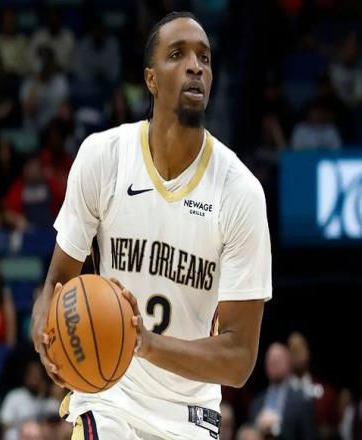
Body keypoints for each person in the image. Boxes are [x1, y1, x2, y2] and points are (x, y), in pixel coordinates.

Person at [31, 11, 272, 440]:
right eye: (177, 55)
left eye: (204, 57)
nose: (195, 66)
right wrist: (43, 327)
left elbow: (239, 359)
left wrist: (144, 342)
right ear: (151, 79)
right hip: (108, 397)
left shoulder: (240, 192)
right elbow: (57, 281)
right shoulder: (103, 157)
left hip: (190, 413)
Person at [249, 343, 317, 439]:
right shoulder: (256, 402)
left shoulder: (302, 402)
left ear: (289, 363)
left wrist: (276, 429)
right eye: (270, 361)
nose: (273, 364)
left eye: (277, 360)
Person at [287, 331, 338, 438]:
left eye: (301, 348)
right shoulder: (279, 395)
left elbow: (336, 427)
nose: (297, 353)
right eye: (293, 349)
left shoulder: (327, 393)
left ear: (308, 352)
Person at [0, 358, 59, 440]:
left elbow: (57, 420)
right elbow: (4, 424)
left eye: (38, 376)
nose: (35, 379)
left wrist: (45, 394)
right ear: (26, 377)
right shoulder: (15, 396)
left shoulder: (46, 399)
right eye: (32, 375)